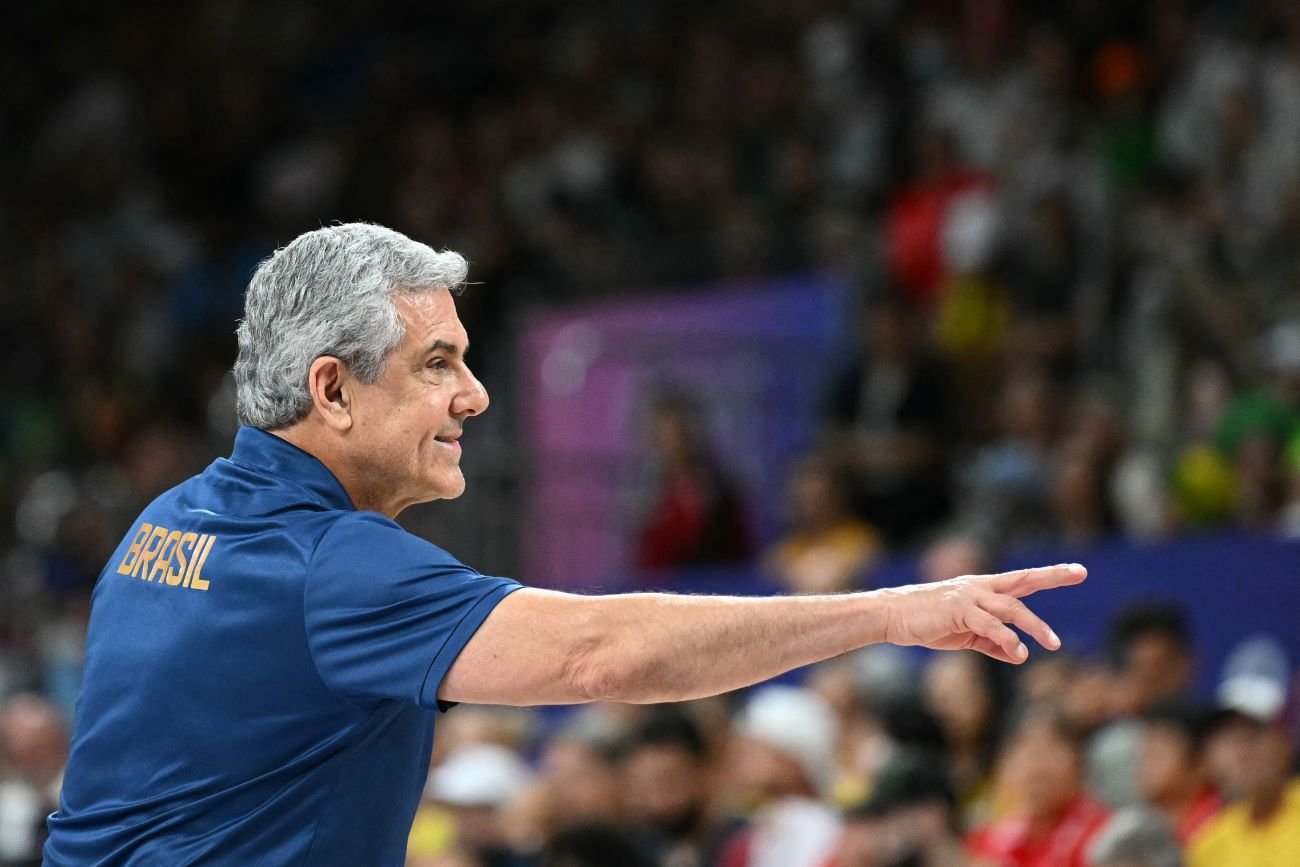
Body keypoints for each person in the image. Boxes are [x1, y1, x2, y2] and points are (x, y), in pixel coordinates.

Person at [45, 224, 1086, 866]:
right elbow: (605, 655)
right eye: (437, 363)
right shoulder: (330, 566)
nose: (475, 393)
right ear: (332, 390)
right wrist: (892, 611)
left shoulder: (165, 524)